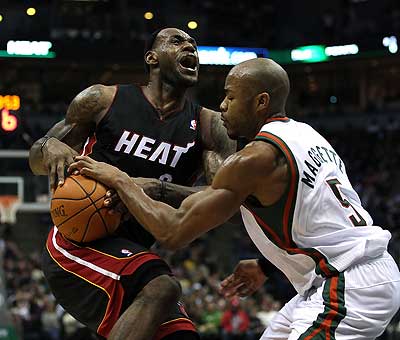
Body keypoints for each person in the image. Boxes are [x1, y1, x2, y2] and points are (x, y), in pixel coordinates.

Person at [70, 58, 400, 339]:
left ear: (261, 102)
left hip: (347, 287)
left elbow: (173, 232)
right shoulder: (307, 135)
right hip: (345, 276)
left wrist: (120, 180)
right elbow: (323, 221)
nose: (222, 106)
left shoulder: (255, 158)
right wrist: (268, 265)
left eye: (230, 97)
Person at [29, 28, 235, 340]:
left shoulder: (209, 125)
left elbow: (225, 201)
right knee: (162, 286)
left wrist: (157, 189)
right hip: (78, 242)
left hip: (132, 252)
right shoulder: (102, 99)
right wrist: (47, 146)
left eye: (193, 44)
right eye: (177, 41)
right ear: (151, 57)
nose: (190, 46)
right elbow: (36, 161)